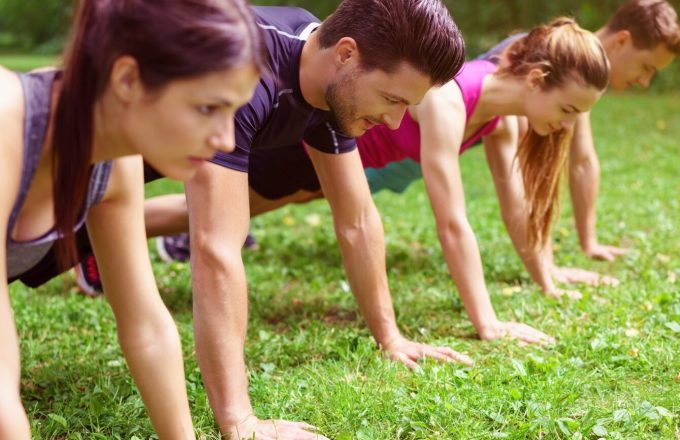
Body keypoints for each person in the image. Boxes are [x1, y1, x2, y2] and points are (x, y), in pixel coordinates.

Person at [70, 1, 468, 438]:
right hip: (53, 173)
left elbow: (357, 220)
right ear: (347, 54)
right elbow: (216, 249)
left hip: (101, 193)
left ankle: (82, 243)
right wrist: (240, 422)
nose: (394, 123)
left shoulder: (328, 84)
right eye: (391, 99)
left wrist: (391, 337)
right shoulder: (244, 68)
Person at [137, 17, 610, 342]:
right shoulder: (450, 100)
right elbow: (452, 222)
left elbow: (515, 204)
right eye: (567, 109)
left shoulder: (499, 121)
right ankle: (106, 234)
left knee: (228, 212)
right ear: (536, 79)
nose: (568, 125)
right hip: (317, 151)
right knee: (218, 214)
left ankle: (113, 231)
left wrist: (545, 275)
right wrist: (486, 322)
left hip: (346, 163)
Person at [0, 0, 263, 438]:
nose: (226, 139)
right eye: (207, 108)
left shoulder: (114, 162)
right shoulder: (7, 122)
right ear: (127, 79)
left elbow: (145, 324)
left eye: (234, 111)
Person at [480, 0, 680, 286]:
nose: (645, 81)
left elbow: (582, 161)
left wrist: (588, 241)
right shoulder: (540, 59)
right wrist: (547, 270)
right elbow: (518, 176)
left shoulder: (580, 74)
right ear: (622, 41)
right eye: (646, 66)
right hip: (405, 147)